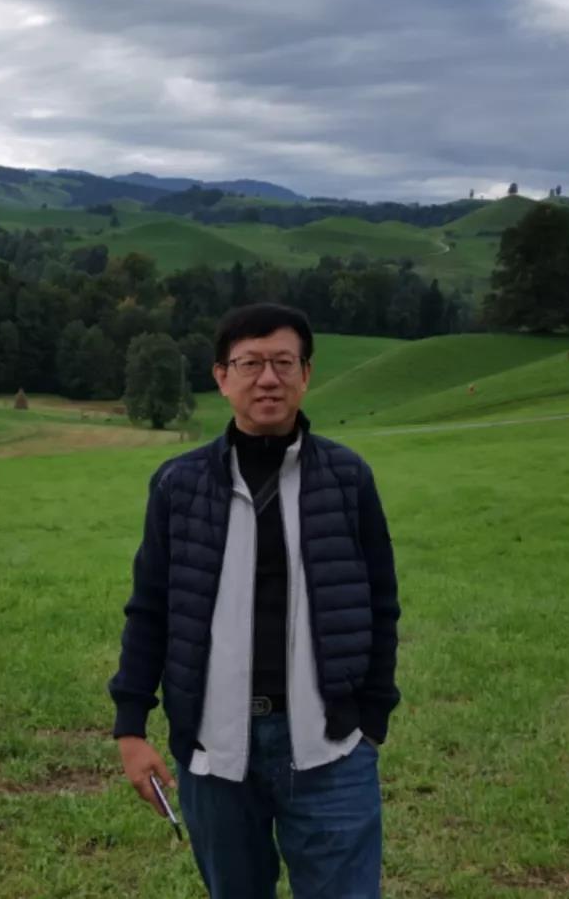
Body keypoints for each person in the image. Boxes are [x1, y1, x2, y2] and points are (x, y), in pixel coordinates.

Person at [109, 302, 401, 899]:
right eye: (250, 364)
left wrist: (370, 719)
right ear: (222, 377)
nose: (268, 378)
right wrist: (131, 728)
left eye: (283, 363)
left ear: (306, 374)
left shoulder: (348, 479)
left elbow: (381, 603)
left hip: (330, 749)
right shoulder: (179, 485)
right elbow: (151, 610)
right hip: (215, 752)